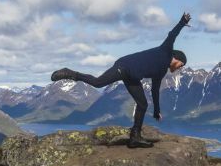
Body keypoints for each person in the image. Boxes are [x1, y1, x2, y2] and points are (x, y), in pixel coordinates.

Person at [51, 12, 191, 148]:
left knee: (142, 104)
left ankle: (135, 137)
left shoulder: (161, 71)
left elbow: (155, 90)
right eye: (181, 65)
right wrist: (182, 22)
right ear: (177, 59)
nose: (180, 68)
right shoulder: (165, 51)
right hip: (124, 67)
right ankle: (70, 73)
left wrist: (156, 111)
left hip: (133, 78)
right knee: (98, 83)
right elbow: (172, 35)